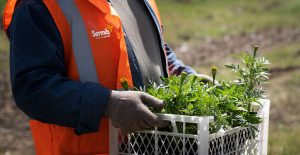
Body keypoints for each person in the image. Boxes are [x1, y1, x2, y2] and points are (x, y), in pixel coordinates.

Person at [3, 0, 213, 154]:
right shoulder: (38, 6)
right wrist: (109, 103)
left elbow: (152, 47)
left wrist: (182, 74)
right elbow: (32, 88)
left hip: (153, 146)